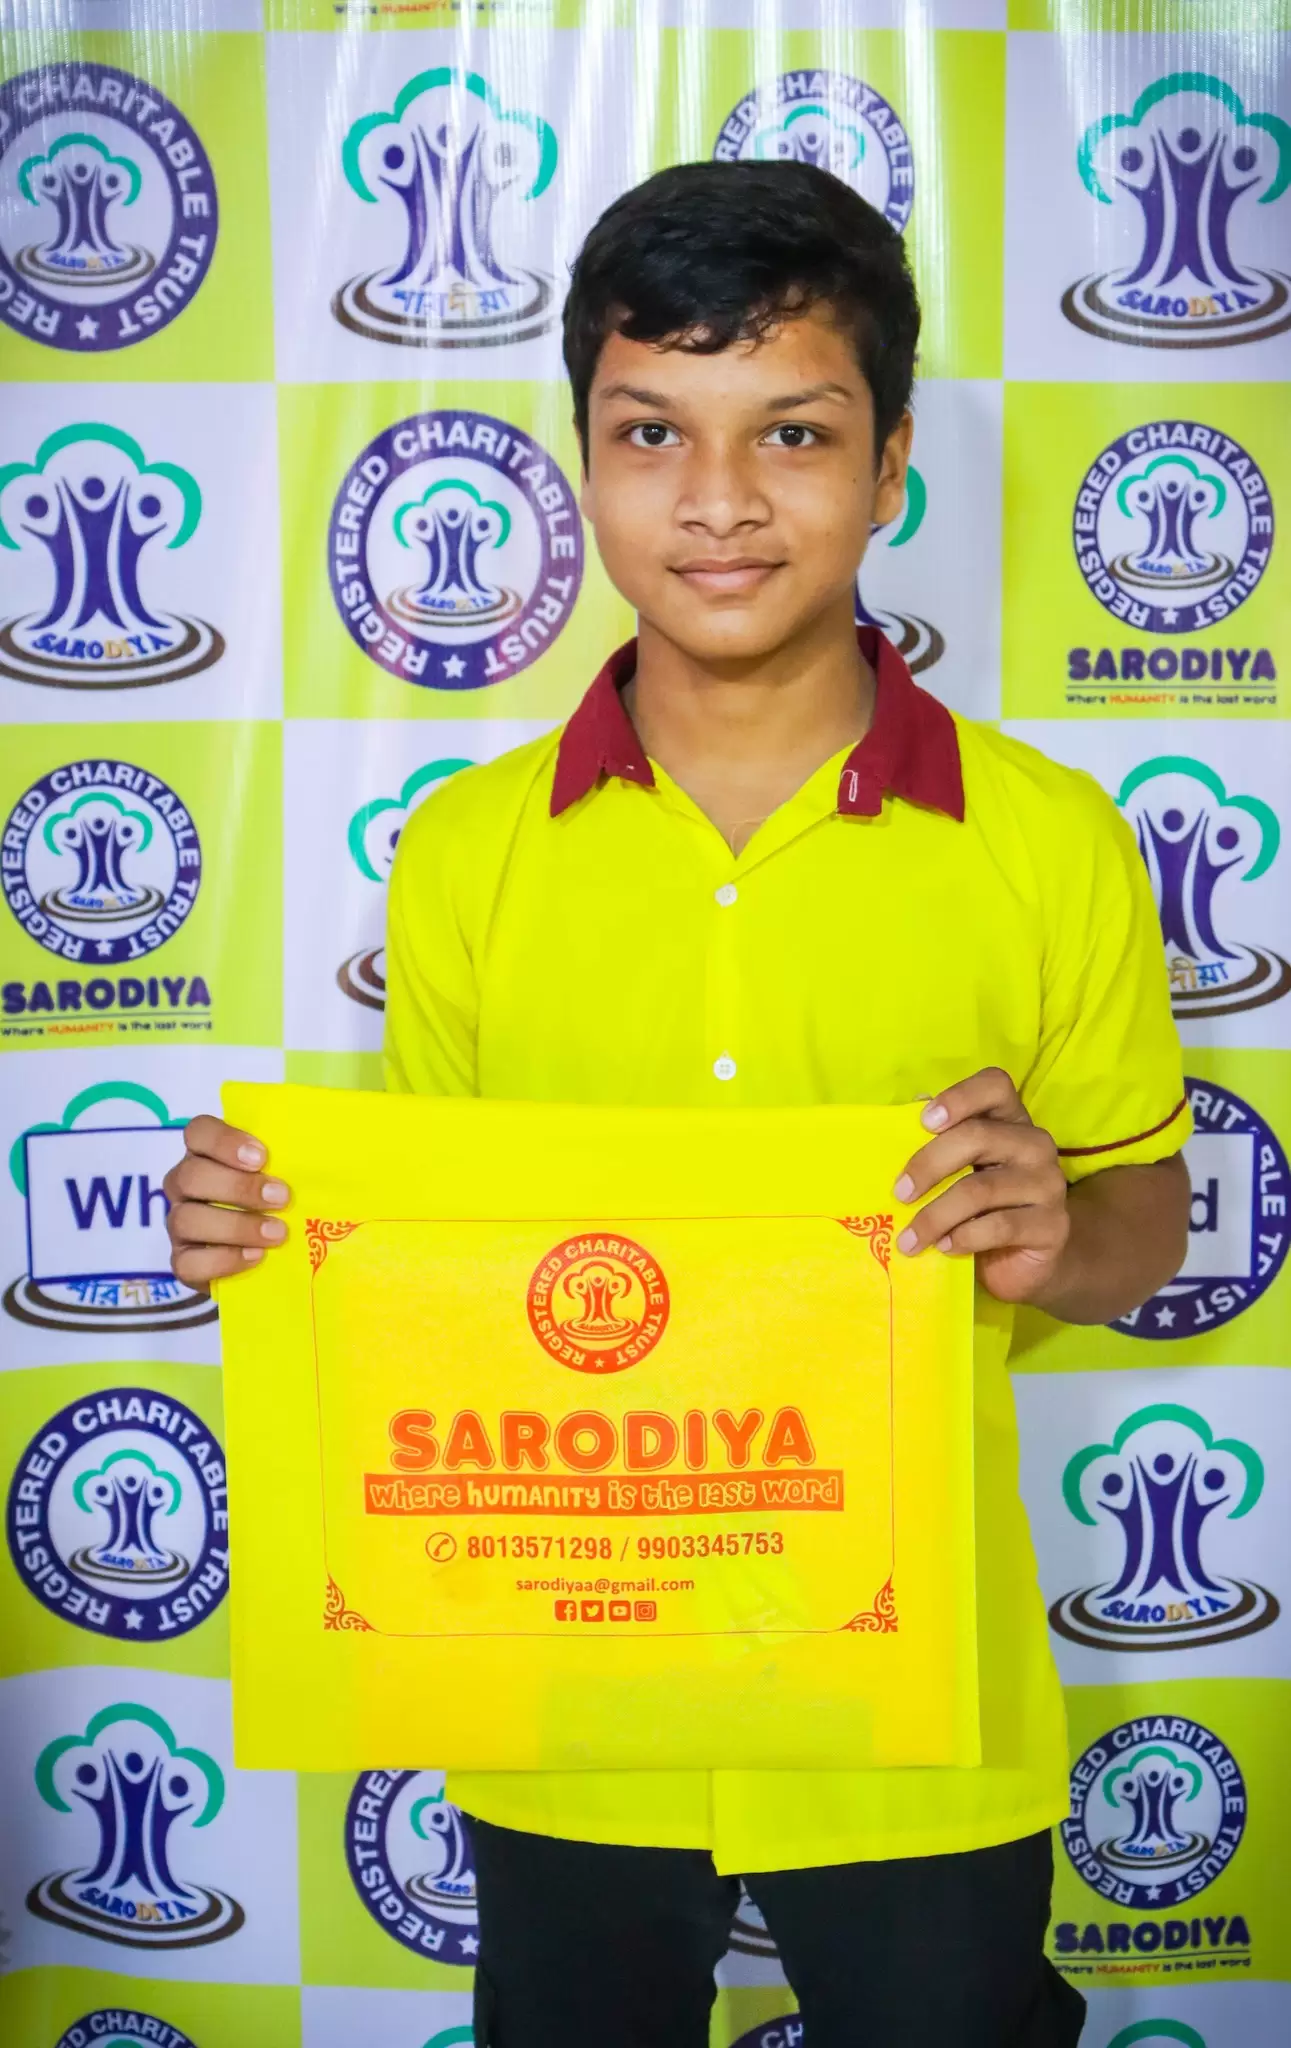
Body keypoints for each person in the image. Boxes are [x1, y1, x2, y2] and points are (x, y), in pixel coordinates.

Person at [166, 160, 1190, 2048]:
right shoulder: (468, 849)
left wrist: (1058, 1233)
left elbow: (1144, 1219)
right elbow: (437, 1272)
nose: (717, 499)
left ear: (889, 466)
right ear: (582, 462)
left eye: (791, 433)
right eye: (652, 433)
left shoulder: (1051, 841)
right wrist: (279, 1242)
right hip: (568, 1679)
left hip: (914, 1691)